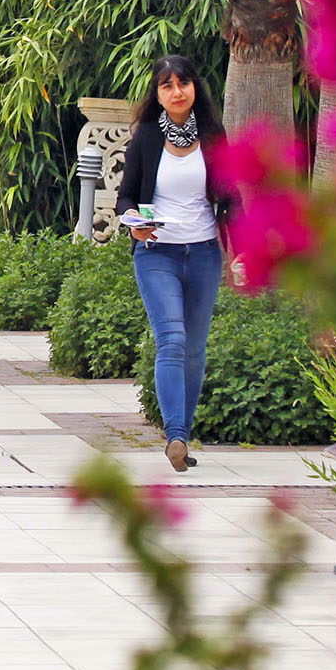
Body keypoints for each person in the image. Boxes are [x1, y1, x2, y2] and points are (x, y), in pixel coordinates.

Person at [119, 54, 226, 472]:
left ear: (195, 87)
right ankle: (176, 436)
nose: (176, 92)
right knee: (173, 340)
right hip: (156, 253)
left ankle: (183, 433)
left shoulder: (214, 136)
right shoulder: (145, 137)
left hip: (203, 253)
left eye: (183, 83)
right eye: (167, 85)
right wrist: (134, 225)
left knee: (195, 351)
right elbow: (127, 196)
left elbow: (230, 197)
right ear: (157, 94)